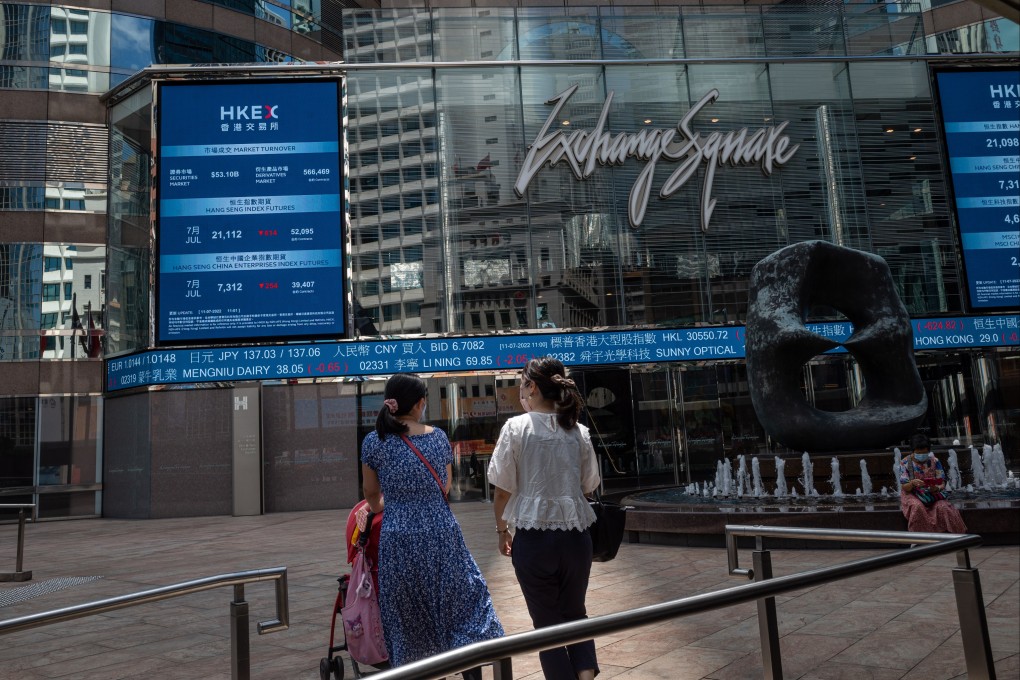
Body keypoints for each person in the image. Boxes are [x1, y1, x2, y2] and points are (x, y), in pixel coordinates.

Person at [361, 373, 503, 676]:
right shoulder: (437, 437)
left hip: (398, 539)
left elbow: (372, 496)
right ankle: (470, 668)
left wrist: (392, 504)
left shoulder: (374, 441)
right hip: (442, 534)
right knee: (460, 606)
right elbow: (446, 485)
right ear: (419, 403)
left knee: (407, 616)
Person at [488, 357, 601, 680]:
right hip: (576, 536)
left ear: (532, 387)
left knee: (546, 626)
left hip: (533, 540)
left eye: (523, 384)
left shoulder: (516, 428)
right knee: (576, 613)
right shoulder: (578, 431)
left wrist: (501, 530)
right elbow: (589, 485)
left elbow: (501, 490)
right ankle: (585, 676)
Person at [899, 433, 967, 534]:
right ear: (913, 451)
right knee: (917, 507)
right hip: (912, 494)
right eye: (919, 453)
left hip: (932, 494)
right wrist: (912, 483)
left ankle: (956, 536)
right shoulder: (905, 463)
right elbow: (905, 487)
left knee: (944, 507)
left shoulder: (935, 461)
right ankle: (918, 538)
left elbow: (942, 482)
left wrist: (937, 488)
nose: (922, 456)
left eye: (924, 453)